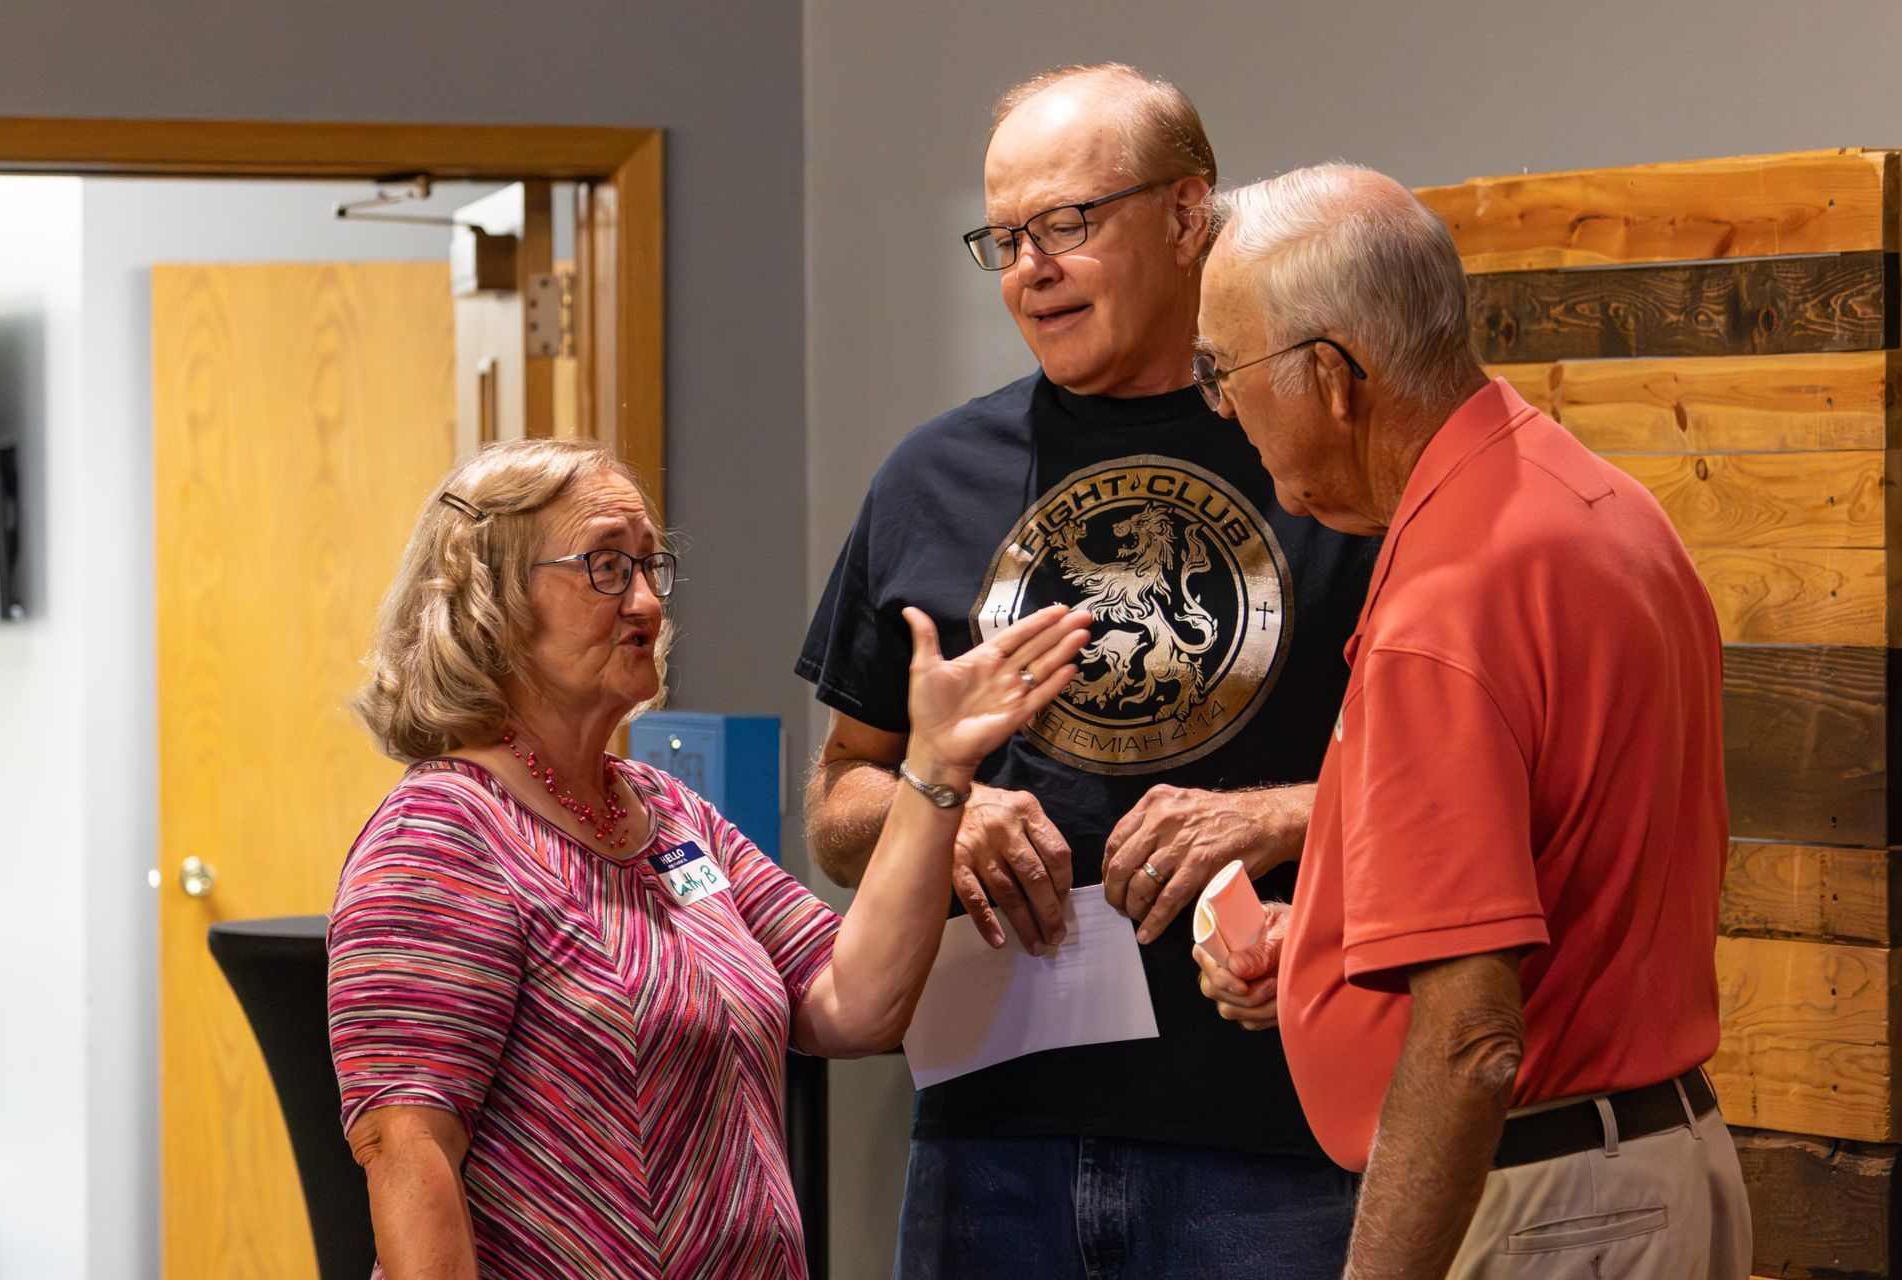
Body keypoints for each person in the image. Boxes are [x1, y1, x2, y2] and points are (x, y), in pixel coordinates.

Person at [799, 64, 1376, 1277]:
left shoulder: (1325, 451)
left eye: (1069, 222)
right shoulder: (931, 475)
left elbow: (1465, 792)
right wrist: (936, 813)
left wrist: (1277, 818)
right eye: (1004, 236)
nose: (1030, 268)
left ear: (1187, 214)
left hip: (1278, 1137)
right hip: (990, 1142)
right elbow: (837, 802)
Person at [327, 437, 1089, 1280]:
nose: (648, 603)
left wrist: (937, 769)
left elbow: (851, 1003)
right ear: (490, 601)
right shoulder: (440, 833)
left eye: (652, 567)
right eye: (606, 566)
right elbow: (406, 1145)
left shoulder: (666, 810)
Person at [1191, 163, 1751, 1279]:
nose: (1223, 408)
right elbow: (1579, 849)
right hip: (1653, 1168)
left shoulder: (1443, 600)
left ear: (1331, 377)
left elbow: (1473, 1042)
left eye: (1224, 371)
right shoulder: (1598, 504)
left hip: (1549, 1207)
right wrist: (1328, 951)